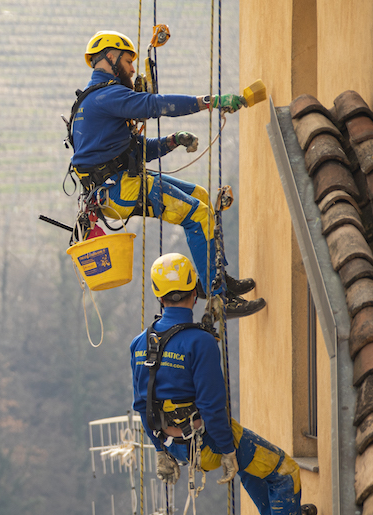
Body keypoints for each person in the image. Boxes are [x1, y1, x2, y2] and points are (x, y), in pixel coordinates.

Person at [131, 253, 331, 515]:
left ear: (157, 294)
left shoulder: (141, 344)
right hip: (209, 441)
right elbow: (213, 405)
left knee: (253, 464)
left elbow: (141, 404)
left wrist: (161, 451)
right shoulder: (200, 343)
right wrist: (226, 451)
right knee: (285, 472)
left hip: (177, 448)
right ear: (195, 289)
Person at [68, 30, 264, 319]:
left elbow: (135, 151)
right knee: (196, 214)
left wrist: (172, 141)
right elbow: (156, 105)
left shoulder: (94, 100)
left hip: (116, 186)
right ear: (110, 57)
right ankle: (219, 297)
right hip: (122, 188)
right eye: (128, 60)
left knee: (200, 197)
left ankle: (217, 276)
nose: (133, 69)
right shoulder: (107, 96)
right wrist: (211, 101)